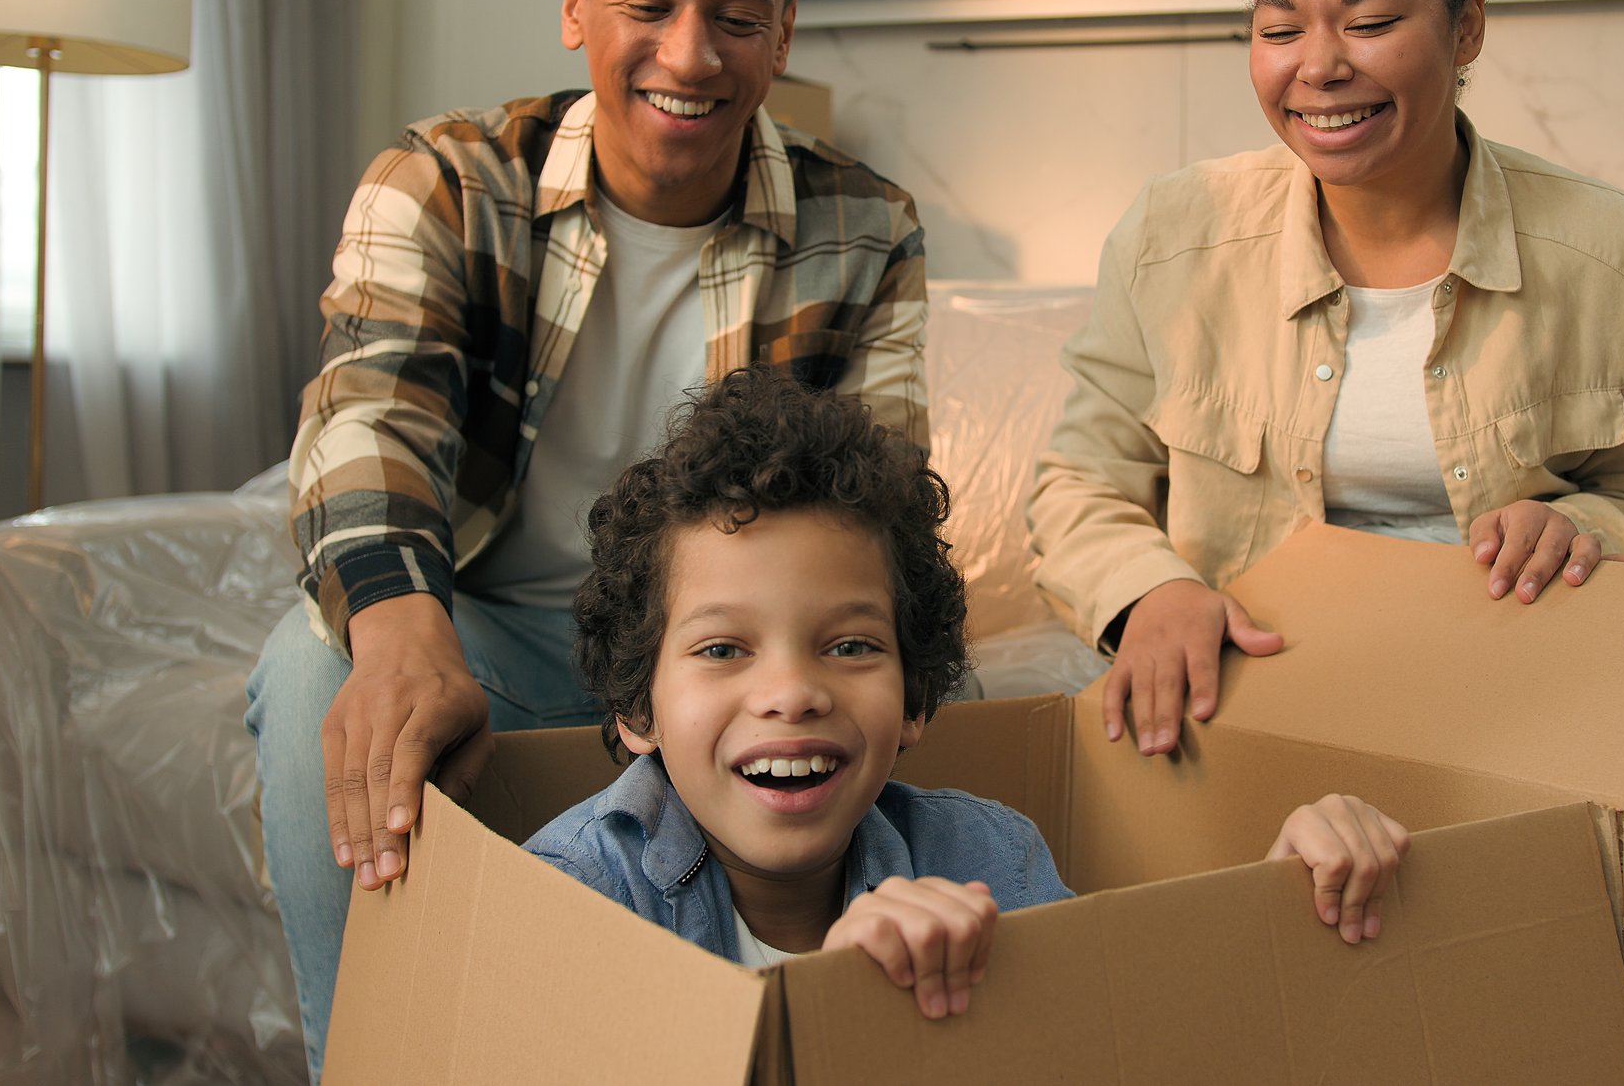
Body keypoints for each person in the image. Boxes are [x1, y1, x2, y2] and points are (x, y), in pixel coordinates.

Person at [1024, 0, 1624, 1086]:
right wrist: (1147, 594)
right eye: (1277, 27)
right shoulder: (1175, 234)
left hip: (1517, 683)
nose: (1319, 69)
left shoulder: (1613, 249)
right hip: (1270, 679)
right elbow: (1077, 485)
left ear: (1466, 27)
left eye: (1369, 19)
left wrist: (1576, 523)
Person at [243, 0, 929, 1079]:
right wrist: (401, 634)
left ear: (781, 37)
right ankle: (369, 1055)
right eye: (647, 4)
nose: (688, 54)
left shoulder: (865, 223)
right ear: (575, 5)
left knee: (941, 693)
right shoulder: (444, 182)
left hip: (717, 653)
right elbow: (368, 420)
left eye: (737, 16)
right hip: (495, 636)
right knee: (312, 678)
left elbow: (877, 498)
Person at [527, 367, 1413, 1014]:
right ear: (637, 707)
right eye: (723, 647)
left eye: (849, 644)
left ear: (915, 699)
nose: (791, 691)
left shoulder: (986, 855)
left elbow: (1123, 1040)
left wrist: (1274, 905)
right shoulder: (571, 899)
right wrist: (825, 1017)